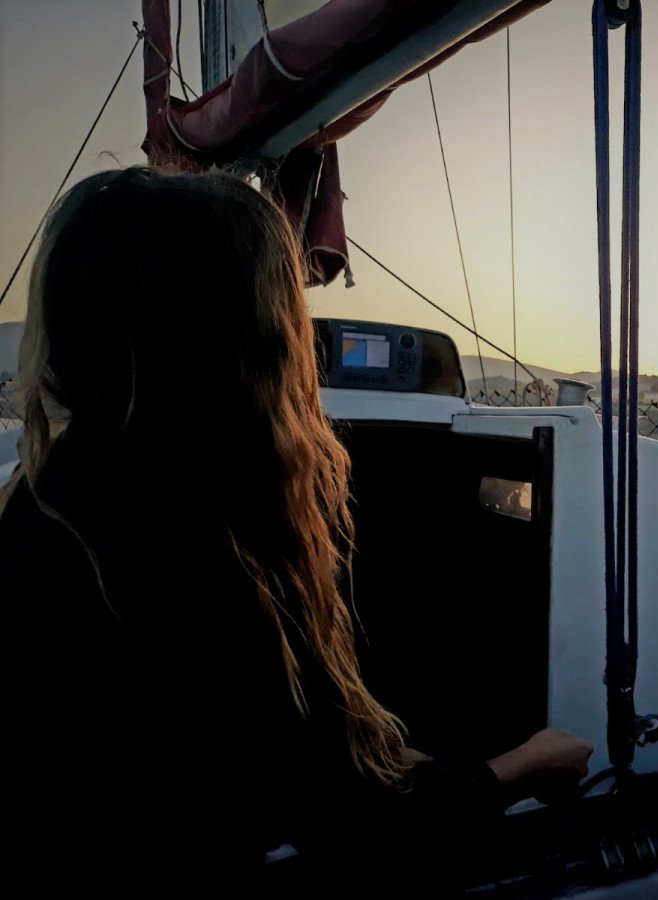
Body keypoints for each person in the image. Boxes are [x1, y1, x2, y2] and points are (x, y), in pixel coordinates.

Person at [0, 167, 593, 889]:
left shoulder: (46, 506)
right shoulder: (192, 556)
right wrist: (520, 767)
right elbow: (360, 839)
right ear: (259, 342)